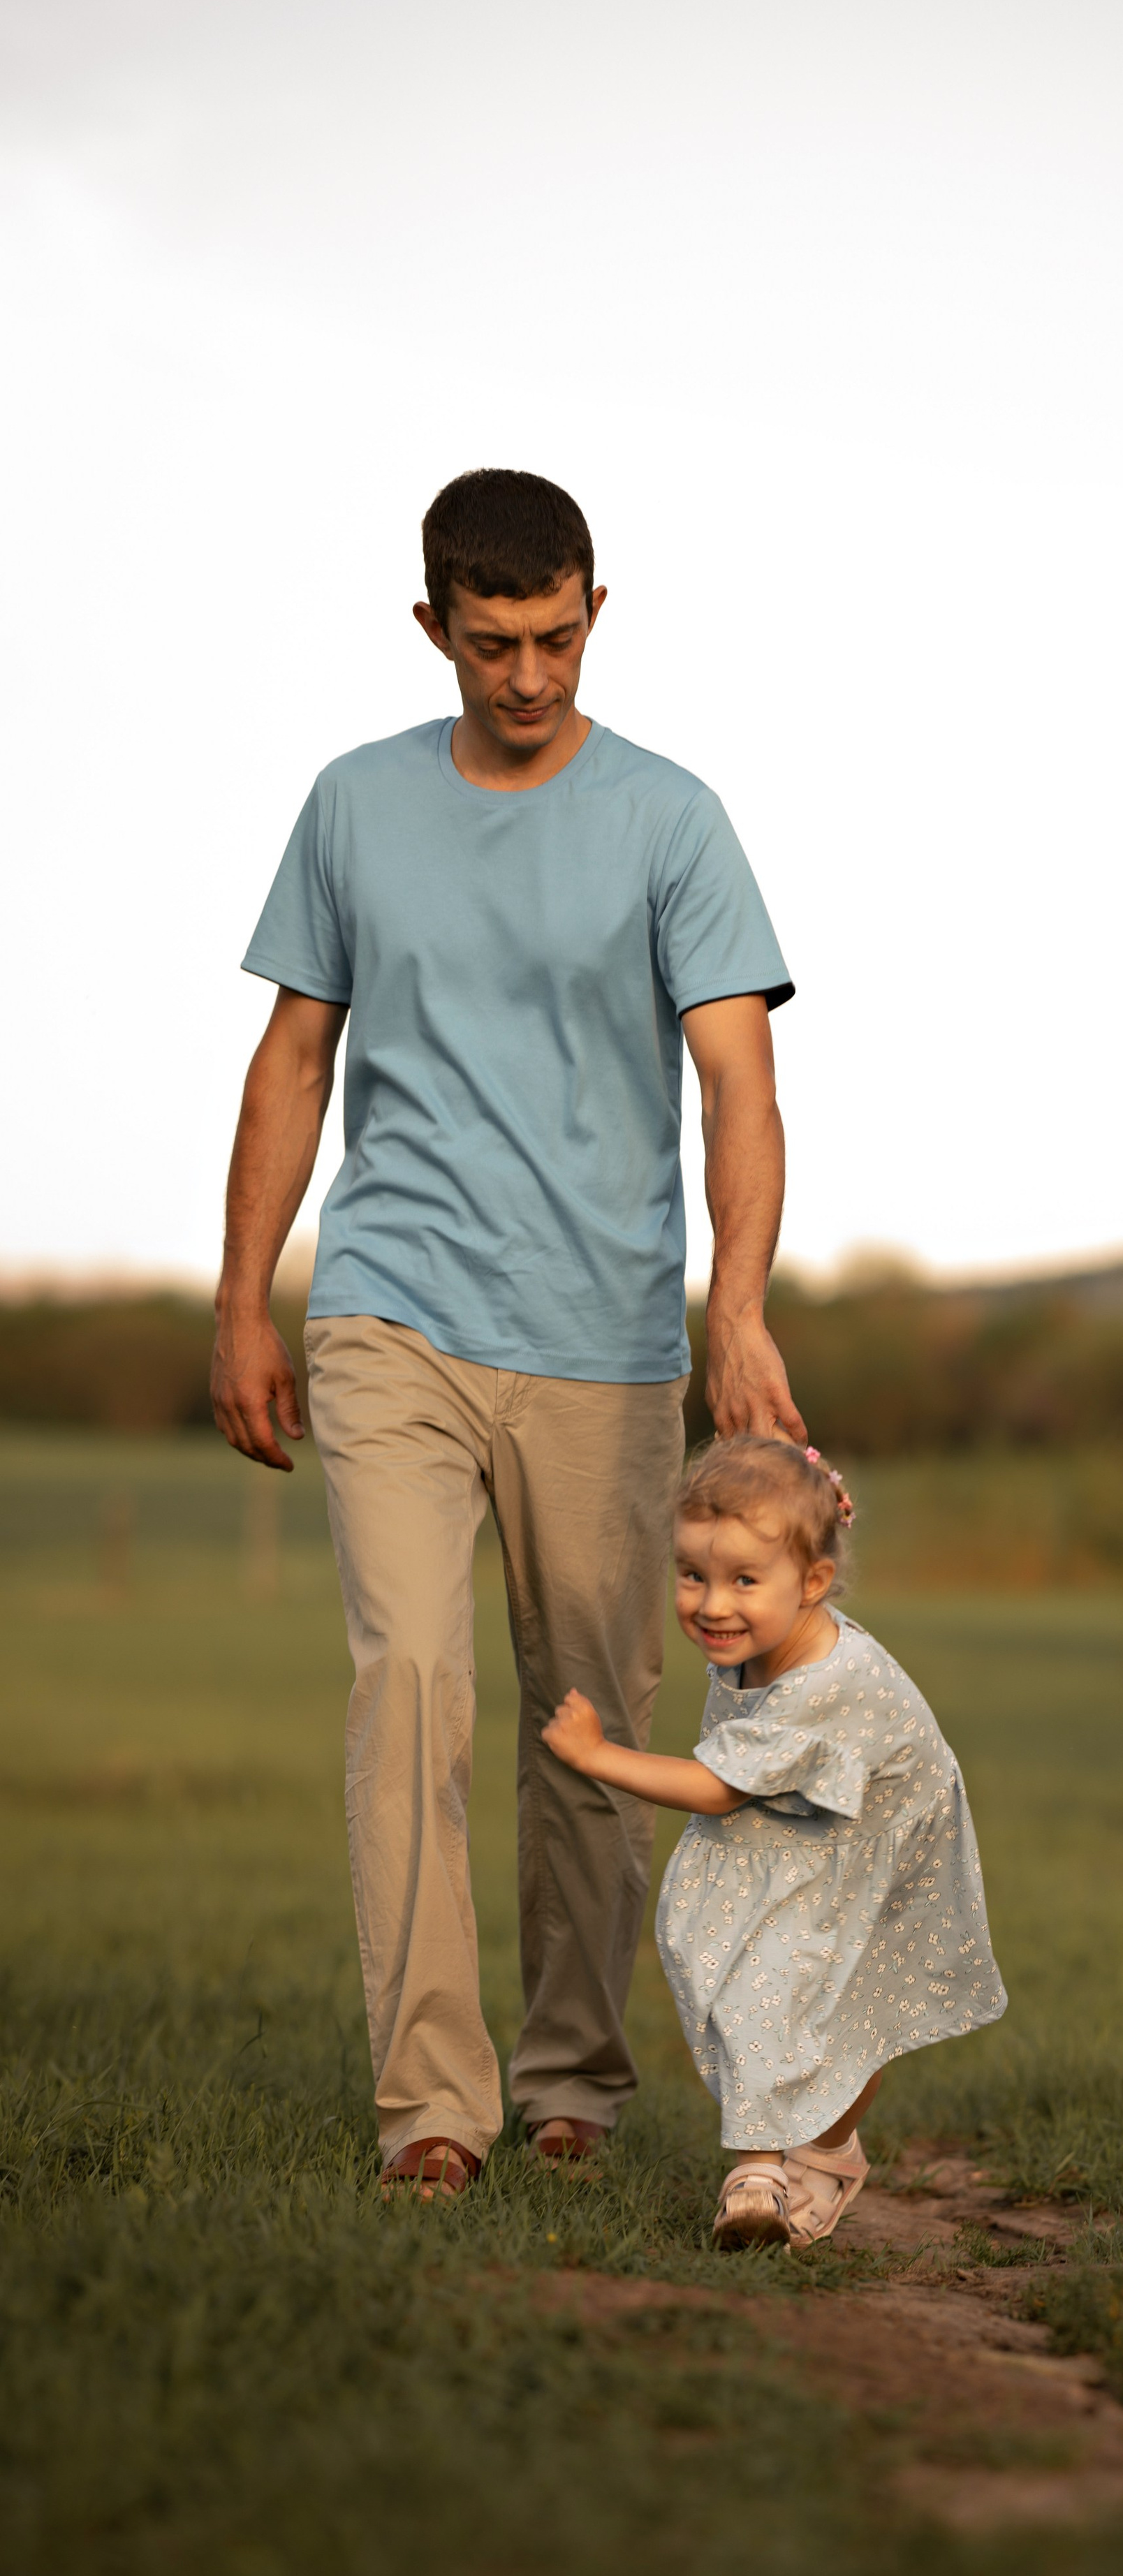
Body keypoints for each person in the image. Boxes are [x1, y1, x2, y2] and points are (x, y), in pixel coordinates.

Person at [211, 469, 805, 2202]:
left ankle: (569, 2074)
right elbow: (293, 1060)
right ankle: (432, 2108)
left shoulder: (671, 819)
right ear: (433, 630)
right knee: (406, 1680)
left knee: (590, 1715)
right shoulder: (353, 805)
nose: (527, 675)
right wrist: (245, 1294)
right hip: (389, 1311)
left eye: (554, 637)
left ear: (593, 615)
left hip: (604, 1338)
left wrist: (737, 1300)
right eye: (492, 644)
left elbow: (737, 1082)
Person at [542, 1437, 1006, 2249]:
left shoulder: (822, 1685)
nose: (712, 1604)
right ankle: (782, 2159)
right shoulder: (766, 1637)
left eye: (743, 1581)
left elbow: (719, 1787)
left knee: (814, 1991)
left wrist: (596, 1756)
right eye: (693, 1575)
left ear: (813, 1583)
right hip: (813, 1824)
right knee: (767, 1975)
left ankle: (789, 2163)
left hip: (879, 1842)